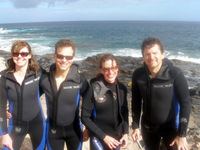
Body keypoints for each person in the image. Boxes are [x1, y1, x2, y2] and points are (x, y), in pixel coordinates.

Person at [131, 37, 191, 150]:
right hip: (148, 128)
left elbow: (186, 103)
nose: (151, 57)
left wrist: (182, 134)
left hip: (171, 128)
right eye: (147, 54)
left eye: (155, 53)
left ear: (162, 54)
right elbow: (136, 102)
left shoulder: (175, 74)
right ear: (143, 56)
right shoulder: (138, 75)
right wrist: (135, 125)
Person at [40, 39, 88, 150]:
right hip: (53, 131)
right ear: (54, 56)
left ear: (73, 58)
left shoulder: (80, 80)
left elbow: (90, 100)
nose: (64, 60)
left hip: (75, 131)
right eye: (60, 56)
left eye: (68, 57)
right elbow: (31, 95)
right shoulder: (45, 80)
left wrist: (88, 125)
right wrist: (10, 110)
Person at [0, 40, 46, 150]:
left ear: (29, 55)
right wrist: (4, 134)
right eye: (16, 53)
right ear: (12, 55)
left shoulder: (38, 73)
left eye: (24, 54)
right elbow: (0, 106)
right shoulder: (5, 77)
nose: (20, 56)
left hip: (38, 123)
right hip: (15, 124)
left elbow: (53, 86)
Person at [81, 53, 129, 150]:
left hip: (117, 138)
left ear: (117, 68)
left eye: (113, 68)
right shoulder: (94, 88)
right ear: (101, 70)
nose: (110, 72)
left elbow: (124, 113)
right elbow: (85, 117)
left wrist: (126, 133)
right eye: (106, 69)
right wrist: (104, 137)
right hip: (98, 137)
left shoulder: (122, 88)